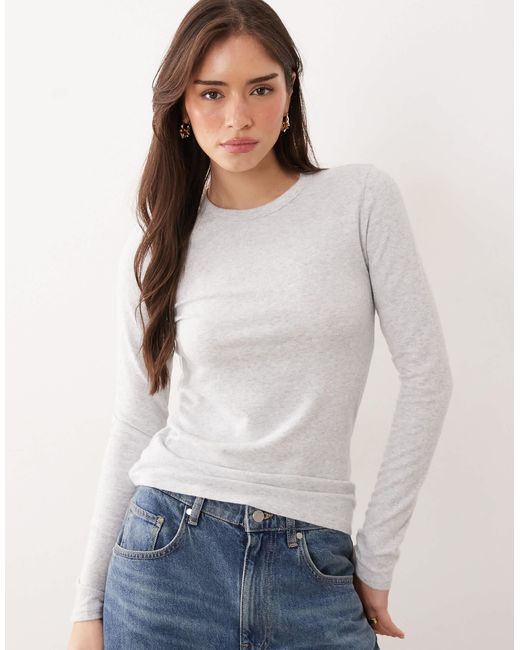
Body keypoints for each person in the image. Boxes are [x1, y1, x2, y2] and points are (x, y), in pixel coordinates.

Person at [67, 1, 453, 648]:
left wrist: (377, 560)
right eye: (211, 93)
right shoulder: (159, 245)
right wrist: (87, 606)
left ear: (290, 90)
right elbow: (137, 418)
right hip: (167, 557)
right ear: (182, 106)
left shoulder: (360, 201)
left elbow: (427, 378)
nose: (238, 117)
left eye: (260, 89)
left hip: (314, 565)